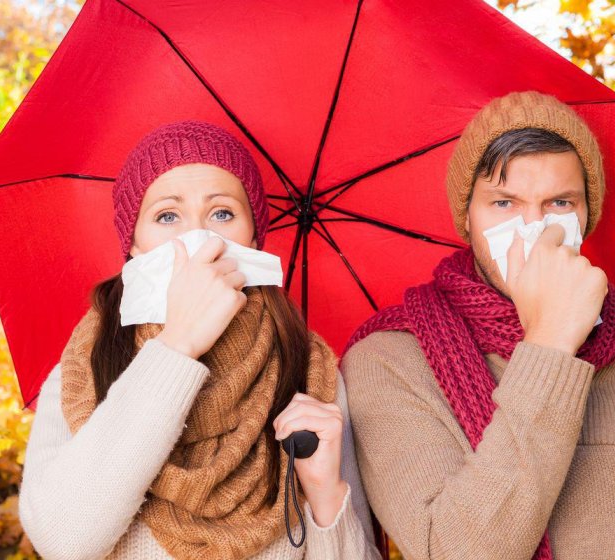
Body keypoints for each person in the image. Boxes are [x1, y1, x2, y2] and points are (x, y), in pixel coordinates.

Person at [19, 121, 381, 560]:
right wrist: (178, 347)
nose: (197, 239)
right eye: (167, 216)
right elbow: (64, 541)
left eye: (222, 213)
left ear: (253, 238)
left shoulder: (311, 372)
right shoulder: (84, 369)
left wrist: (325, 494)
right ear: (133, 245)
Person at [342, 91, 615, 559]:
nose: (533, 227)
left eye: (559, 203)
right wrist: (550, 342)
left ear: (587, 216)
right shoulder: (388, 363)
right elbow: (456, 552)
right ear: (466, 217)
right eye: (504, 203)